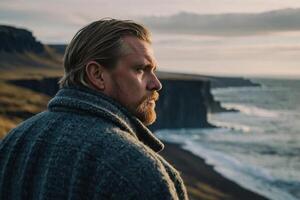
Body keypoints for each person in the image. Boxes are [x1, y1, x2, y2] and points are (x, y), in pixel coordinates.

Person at [0, 18, 188, 199]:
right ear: (97, 75)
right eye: (140, 69)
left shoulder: (14, 140)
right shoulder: (137, 171)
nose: (156, 84)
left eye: (153, 70)